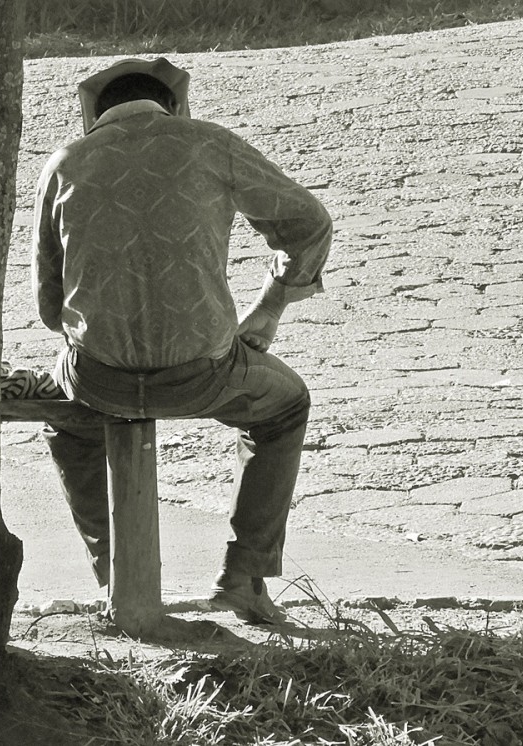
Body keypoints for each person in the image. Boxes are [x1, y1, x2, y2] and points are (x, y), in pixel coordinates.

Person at [32, 56, 333, 624]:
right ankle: (243, 580)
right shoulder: (210, 143)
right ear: (173, 105)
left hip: (98, 379)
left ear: (95, 112)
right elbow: (309, 221)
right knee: (285, 407)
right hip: (205, 375)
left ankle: (113, 577)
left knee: (67, 420)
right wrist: (269, 306)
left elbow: (50, 309)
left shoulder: (65, 162)